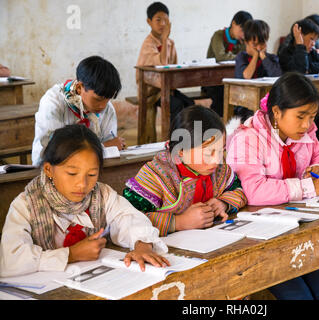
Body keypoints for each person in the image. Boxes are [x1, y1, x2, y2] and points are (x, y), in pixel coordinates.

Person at [227, 72, 319, 299]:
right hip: (258, 239)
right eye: (300, 116)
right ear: (277, 112)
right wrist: (308, 187)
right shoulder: (248, 138)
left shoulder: (305, 132)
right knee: (300, 297)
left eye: (312, 117)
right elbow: (254, 191)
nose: (307, 124)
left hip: (294, 230)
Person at [0, 124, 169, 277]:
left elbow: (128, 217)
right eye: (72, 174)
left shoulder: (101, 195)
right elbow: (10, 257)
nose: (82, 184)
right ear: (49, 169)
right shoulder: (26, 205)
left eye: (92, 175)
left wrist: (142, 245)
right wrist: (71, 254)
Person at [123, 105, 247, 237]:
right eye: (208, 153)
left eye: (221, 150)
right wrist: (178, 222)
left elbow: (240, 190)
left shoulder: (220, 171)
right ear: (181, 151)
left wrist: (223, 203)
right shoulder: (158, 174)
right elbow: (127, 218)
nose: (216, 160)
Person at [32, 55, 125, 166]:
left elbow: (112, 147)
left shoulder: (107, 109)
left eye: (107, 99)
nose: (103, 106)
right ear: (79, 87)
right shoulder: (53, 103)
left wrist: (109, 147)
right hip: (51, 170)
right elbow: (54, 152)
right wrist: (103, 147)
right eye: (98, 99)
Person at [136, 2, 194, 123]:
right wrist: (164, 39)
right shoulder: (148, 44)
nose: (163, 24)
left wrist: (165, 40)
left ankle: (189, 135)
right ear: (149, 22)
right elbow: (162, 64)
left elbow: (173, 68)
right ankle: (174, 138)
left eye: (165, 20)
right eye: (158, 20)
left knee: (190, 104)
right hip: (151, 93)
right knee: (176, 105)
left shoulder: (170, 43)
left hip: (167, 88)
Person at [204, 10, 253, 117]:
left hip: (233, 78)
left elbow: (248, 57)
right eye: (241, 30)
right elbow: (221, 57)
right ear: (234, 24)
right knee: (221, 96)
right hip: (213, 81)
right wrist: (240, 58)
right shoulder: (218, 35)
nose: (243, 35)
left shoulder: (243, 41)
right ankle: (216, 123)